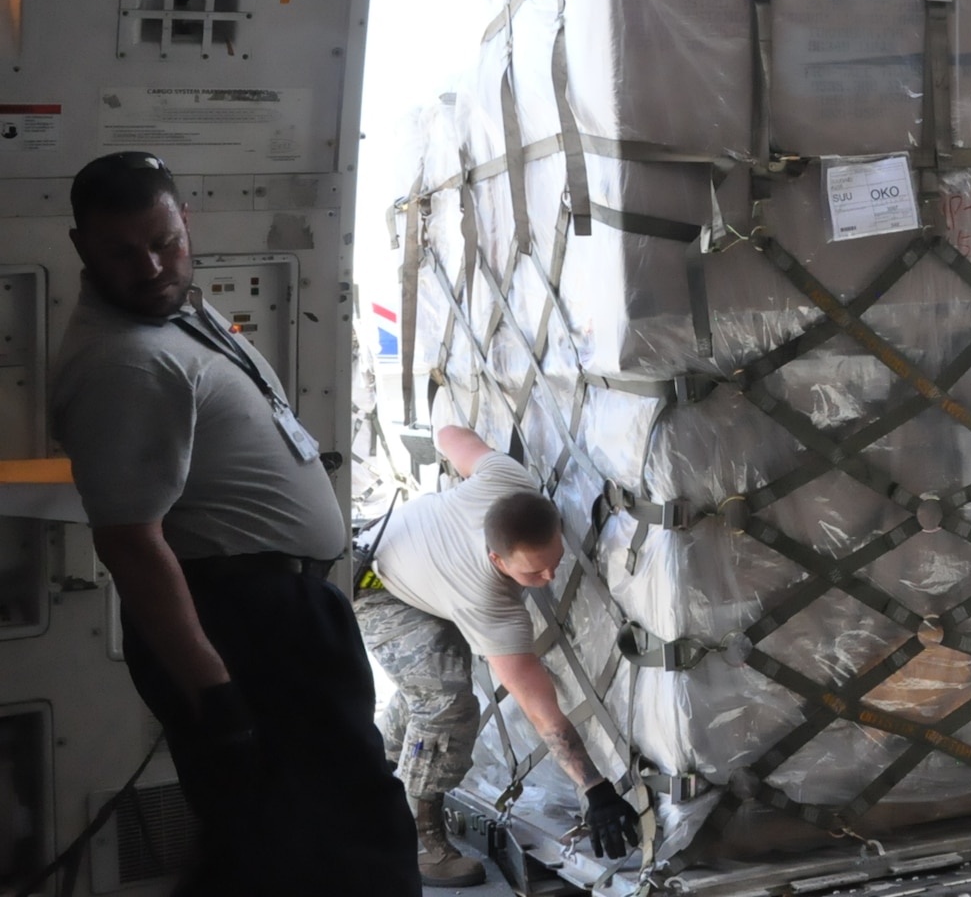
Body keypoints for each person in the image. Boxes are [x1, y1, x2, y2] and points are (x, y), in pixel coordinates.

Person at [50, 152, 418, 896]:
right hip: (247, 628)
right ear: (82, 248)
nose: (151, 265)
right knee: (347, 841)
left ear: (188, 222)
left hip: (282, 613)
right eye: (123, 251)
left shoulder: (176, 310)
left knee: (279, 843)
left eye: (165, 241)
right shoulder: (126, 363)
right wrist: (214, 694)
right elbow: (129, 541)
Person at [356, 423, 641, 886]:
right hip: (378, 583)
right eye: (533, 572)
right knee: (445, 701)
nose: (549, 577)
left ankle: (373, 773)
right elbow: (538, 707)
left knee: (425, 687)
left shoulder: (506, 479)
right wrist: (593, 786)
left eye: (554, 560)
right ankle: (418, 840)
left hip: (419, 560)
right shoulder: (489, 603)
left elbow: (450, 434)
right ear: (497, 560)